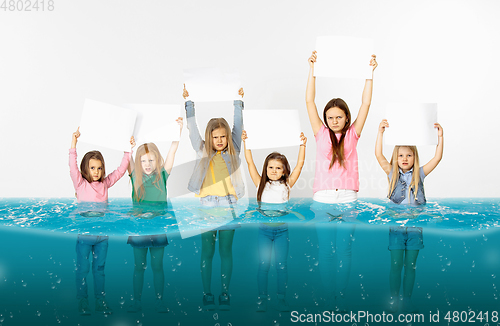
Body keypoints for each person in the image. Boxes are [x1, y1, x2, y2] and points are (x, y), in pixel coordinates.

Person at [305, 50, 377, 311]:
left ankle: (342, 296)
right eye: (330, 117)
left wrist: (370, 74)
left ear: (346, 117)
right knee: (325, 251)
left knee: (344, 250)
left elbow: (366, 104)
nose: (334, 120)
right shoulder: (320, 133)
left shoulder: (353, 135)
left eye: (339, 116)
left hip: (347, 197)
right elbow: (309, 101)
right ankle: (328, 296)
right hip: (323, 198)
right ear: (326, 120)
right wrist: (312, 69)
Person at [183, 85, 244, 311]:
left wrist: (238, 102)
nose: (219, 140)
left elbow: (239, 126)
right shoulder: (203, 151)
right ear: (210, 138)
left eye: (223, 136)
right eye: (215, 136)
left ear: (228, 137)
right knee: (207, 251)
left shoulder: (234, 150)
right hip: (207, 206)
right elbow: (192, 130)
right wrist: (189, 104)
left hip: (229, 205)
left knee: (225, 251)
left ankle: (225, 293)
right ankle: (207, 293)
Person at [375, 119, 444, 312]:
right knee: (396, 266)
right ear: (395, 158)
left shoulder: (420, 174)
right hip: (396, 229)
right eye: (400, 155)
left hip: (415, 229)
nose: (404, 158)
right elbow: (378, 155)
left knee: (410, 266)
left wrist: (440, 137)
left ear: (415, 157)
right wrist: (380, 133)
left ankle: (407, 299)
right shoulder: (391, 173)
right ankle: (393, 299)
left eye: (409, 155)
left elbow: (437, 159)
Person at [69, 127, 133, 315]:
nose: (96, 171)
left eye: (99, 168)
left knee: (99, 270)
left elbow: (121, 170)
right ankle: (82, 301)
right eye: (92, 167)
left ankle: (100, 301)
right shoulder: (80, 184)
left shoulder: (105, 183)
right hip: (84, 237)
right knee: (82, 270)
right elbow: (72, 166)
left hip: (102, 237)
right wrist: (73, 143)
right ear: (85, 168)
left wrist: (127, 149)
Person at [242, 130, 306, 312]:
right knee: (263, 265)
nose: (274, 171)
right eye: (271, 167)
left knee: (281, 266)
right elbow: (249, 162)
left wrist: (303, 145)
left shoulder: (287, 184)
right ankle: (262, 298)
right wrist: (247, 142)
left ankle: (281, 298)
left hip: (282, 231)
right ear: (266, 168)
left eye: (279, 168)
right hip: (264, 231)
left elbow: (300, 165)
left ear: (285, 170)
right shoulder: (260, 183)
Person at [126, 118, 183, 313]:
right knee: (138, 267)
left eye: (151, 160)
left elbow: (172, 152)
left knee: (157, 266)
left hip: (158, 228)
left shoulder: (162, 176)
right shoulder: (134, 176)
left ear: (157, 160)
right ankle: (137, 302)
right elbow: (126, 157)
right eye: (143, 161)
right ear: (138, 162)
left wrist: (178, 131)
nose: (147, 164)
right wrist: (129, 143)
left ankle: (159, 301)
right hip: (139, 229)